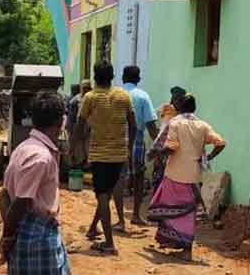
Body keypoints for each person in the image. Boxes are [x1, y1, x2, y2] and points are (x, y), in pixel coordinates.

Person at [0, 91, 72, 275]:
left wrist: (8, 235)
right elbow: (20, 202)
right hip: (33, 229)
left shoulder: (25, 147)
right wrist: (8, 237)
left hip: (28, 227)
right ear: (60, 122)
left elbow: (5, 195)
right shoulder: (41, 157)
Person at [148, 94, 225, 261]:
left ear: (180, 107)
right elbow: (220, 142)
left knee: (167, 208)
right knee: (188, 213)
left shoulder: (175, 123)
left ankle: (174, 242)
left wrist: (157, 154)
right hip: (193, 176)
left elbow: (172, 147)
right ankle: (185, 248)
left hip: (174, 174)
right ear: (194, 108)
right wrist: (209, 157)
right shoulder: (203, 125)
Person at [77, 60, 136, 255]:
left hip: (100, 155)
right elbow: (133, 125)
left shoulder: (90, 97)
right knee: (106, 193)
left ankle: (109, 242)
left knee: (102, 195)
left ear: (95, 76)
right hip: (119, 154)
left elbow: (80, 125)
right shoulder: (123, 96)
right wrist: (129, 147)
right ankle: (94, 227)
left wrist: (74, 146)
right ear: (112, 75)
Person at [113, 66, 158, 230]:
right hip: (137, 139)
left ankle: (119, 219)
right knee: (138, 177)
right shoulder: (143, 96)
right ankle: (136, 215)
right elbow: (151, 125)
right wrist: (159, 146)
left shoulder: (115, 94)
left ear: (123, 78)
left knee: (117, 179)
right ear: (138, 79)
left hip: (116, 139)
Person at [151, 86, 187, 194]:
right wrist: (157, 132)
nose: (177, 101)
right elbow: (151, 117)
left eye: (180, 99)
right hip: (161, 145)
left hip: (174, 147)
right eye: (175, 98)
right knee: (159, 173)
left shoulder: (184, 113)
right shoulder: (165, 108)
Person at [68, 80, 92, 169]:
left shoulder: (93, 98)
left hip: (90, 130)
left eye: (88, 88)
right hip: (77, 129)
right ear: (81, 88)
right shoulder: (75, 101)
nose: (86, 90)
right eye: (84, 88)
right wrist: (71, 132)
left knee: (88, 150)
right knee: (78, 151)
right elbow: (71, 119)